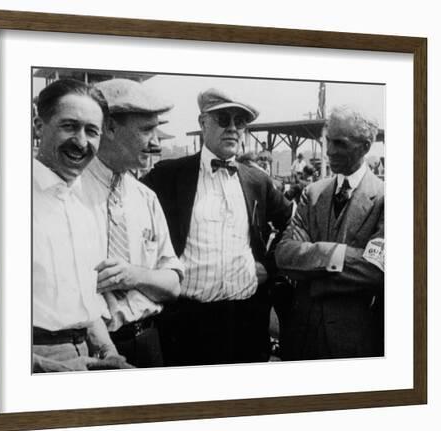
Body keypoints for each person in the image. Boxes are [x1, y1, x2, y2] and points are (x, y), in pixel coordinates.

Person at [142, 88, 292, 366]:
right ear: (203, 123)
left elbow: (292, 223)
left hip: (247, 318)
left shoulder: (256, 181)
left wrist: (270, 265)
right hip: (187, 322)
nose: (233, 129)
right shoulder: (169, 175)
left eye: (240, 121)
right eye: (224, 119)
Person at [77, 79, 183, 368]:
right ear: (109, 128)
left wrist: (134, 276)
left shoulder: (145, 197)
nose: (156, 142)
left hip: (149, 342)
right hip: (91, 350)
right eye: (146, 130)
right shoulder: (69, 193)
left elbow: (173, 284)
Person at [32, 79, 130, 372]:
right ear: (39, 126)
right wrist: (36, 365)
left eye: (92, 131)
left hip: (86, 353)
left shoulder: (83, 207)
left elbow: (84, 304)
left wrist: (111, 354)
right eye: (69, 126)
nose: (81, 141)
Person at [275, 106, 384, 360]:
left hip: (355, 341)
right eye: (327, 141)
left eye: (340, 143)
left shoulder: (385, 198)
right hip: (299, 336)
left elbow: (377, 270)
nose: (329, 151)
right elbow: (284, 254)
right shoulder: (313, 193)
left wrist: (312, 263)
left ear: (365, 147)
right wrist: (339, 258)